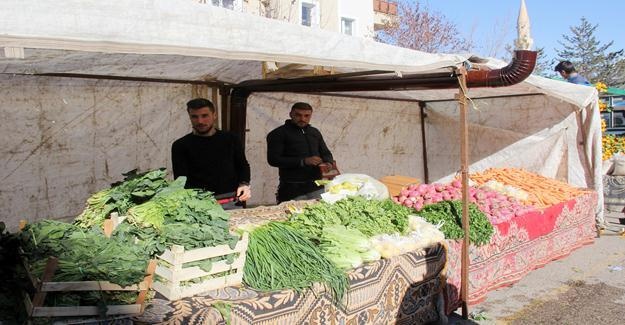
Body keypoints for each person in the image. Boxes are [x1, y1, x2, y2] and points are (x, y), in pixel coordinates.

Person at [172, 98, 251, 208]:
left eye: (205, 116)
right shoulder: (180, 145)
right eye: (194, 117)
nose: (200, 121)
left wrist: (244, 184)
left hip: (231, 201)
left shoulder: (231, 139)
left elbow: (242, 165)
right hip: (199, 204)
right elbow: (180, 179)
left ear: (214, 115)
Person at [267, 102, 334, 203]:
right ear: (291, 114)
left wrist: (329, 163)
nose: (303, 119)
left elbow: (326, 153)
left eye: (307, 116)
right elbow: (273, 160)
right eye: (298, 115)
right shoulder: (278, 134)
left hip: (316, 186)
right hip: (292, 187)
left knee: (317, 215)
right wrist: (303, 161)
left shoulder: (314, 132)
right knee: (292, 217)